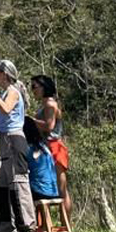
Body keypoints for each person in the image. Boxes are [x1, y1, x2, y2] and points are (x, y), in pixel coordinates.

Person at [0, 60, 36, 232]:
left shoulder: (13, 91)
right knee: (5, 188)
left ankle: (28, 230)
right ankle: (8, 231)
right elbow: (2, 117)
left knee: (18, 184)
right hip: (5, 141)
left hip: (14, 140)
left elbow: (6, 109)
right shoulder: (5, 93)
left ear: (4, 73)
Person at [29, 74, 71, 219]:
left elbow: (49, 125)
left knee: (62, 188)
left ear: (43, 87)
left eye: (34, 86)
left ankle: (67, 222)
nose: (32, 90)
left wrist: (31, 121)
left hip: (54, 147)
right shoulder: (45, 104)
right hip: (46, 148)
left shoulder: (50, 104)